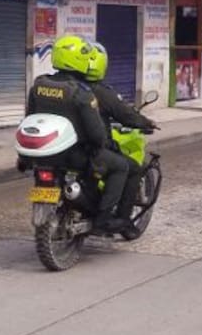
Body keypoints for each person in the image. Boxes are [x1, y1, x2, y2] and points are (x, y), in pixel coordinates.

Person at [27, 35, 132, 235]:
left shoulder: (39, 85)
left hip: (44, 154)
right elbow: (96, 133)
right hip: (74, 155)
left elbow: (30, 118)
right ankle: (102, 220)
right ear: (77, 59)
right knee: (121, 166)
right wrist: (102, 145)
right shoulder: (81, 93)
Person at [85, 43, 153, 227]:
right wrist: (146, 123)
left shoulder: (63, 86)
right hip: (92, 149)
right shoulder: (100, 92)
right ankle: (119, 219)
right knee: (128, 168)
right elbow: (125, 114)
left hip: (66, 149)